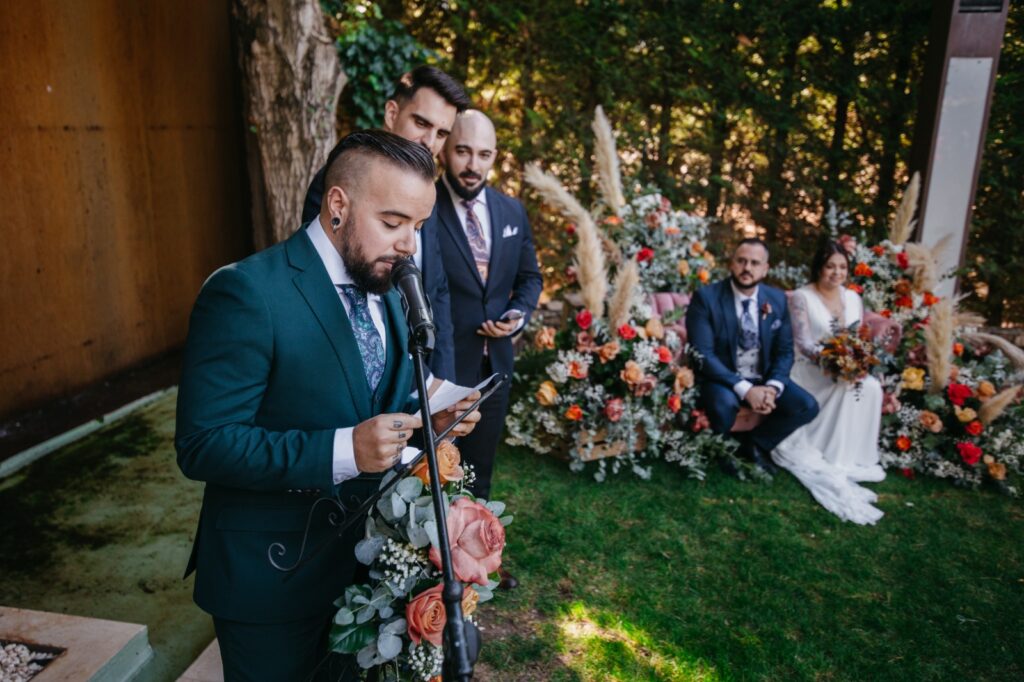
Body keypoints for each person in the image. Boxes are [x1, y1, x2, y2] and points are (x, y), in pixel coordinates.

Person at [176, 130, 479, 681]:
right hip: (270, 580)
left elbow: (372, 385)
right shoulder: (245, 292)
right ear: (338, 205)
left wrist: (431, 411)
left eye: (418, 226)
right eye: (393, 223)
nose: (410, 244)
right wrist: (346, 449)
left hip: (360, 576)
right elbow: (203, 444)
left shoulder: (384, 283)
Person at [302, 66, 472, 381]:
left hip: (425, 377)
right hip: (364, 381)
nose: (429, 142)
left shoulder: (425, 191)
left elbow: (436, 289)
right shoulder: (340, 183)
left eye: (442, 133)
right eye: (421, 123)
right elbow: (328, 294)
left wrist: (444, 383)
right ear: (392, 113)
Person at [430, 111, 542, 588]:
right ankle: (430, 568)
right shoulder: (423, 205)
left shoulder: (511, 211)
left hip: (494, 367)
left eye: (484, 154)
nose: (473, 164)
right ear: (444, 149)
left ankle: (478, 563)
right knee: (431, 469)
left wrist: (518, 316)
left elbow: (529, 278)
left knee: (480, 470)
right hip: (439, 369)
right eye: (462, 150)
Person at [770, 240, 886, 524]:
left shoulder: (853, 298)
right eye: (830, 266)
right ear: (819, 268)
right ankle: (829, 453)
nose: (836, 273)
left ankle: (854, 454)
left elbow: (857, 337)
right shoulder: (801, 297)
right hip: (810, 368)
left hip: (842, 365)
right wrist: (832, 362)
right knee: (842, 386)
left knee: (870, 387)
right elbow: (803, 342)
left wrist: (856, 362)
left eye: (842, 267)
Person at [685, 238, 819, 473]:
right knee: (723, 405)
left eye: (755, 263)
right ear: (731, 263)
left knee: (807, 406)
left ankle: (755, 444)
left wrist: (773, 387)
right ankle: (724, 450)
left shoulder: (777, 300)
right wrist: (746, 390)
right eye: (742, 261)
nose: (747, 268)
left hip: (763, 377)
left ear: (765, 268)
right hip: (723, 378)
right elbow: (703, 355)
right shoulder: (706, 298)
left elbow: (785, 351)